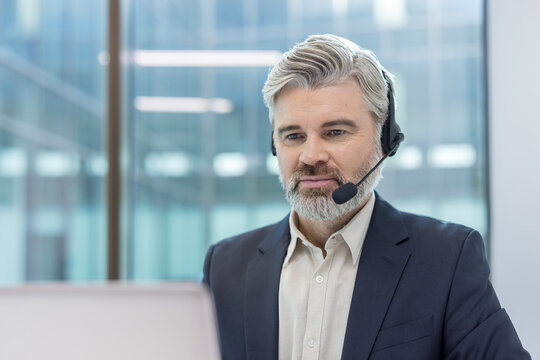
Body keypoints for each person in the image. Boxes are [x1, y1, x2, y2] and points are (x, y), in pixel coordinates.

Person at [202, 34, 530, 360]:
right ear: (275, 145)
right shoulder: (226, 266)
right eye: (293, 136)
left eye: (335, 132)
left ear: (385, 141)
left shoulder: (447, 259)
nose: (310, 155)